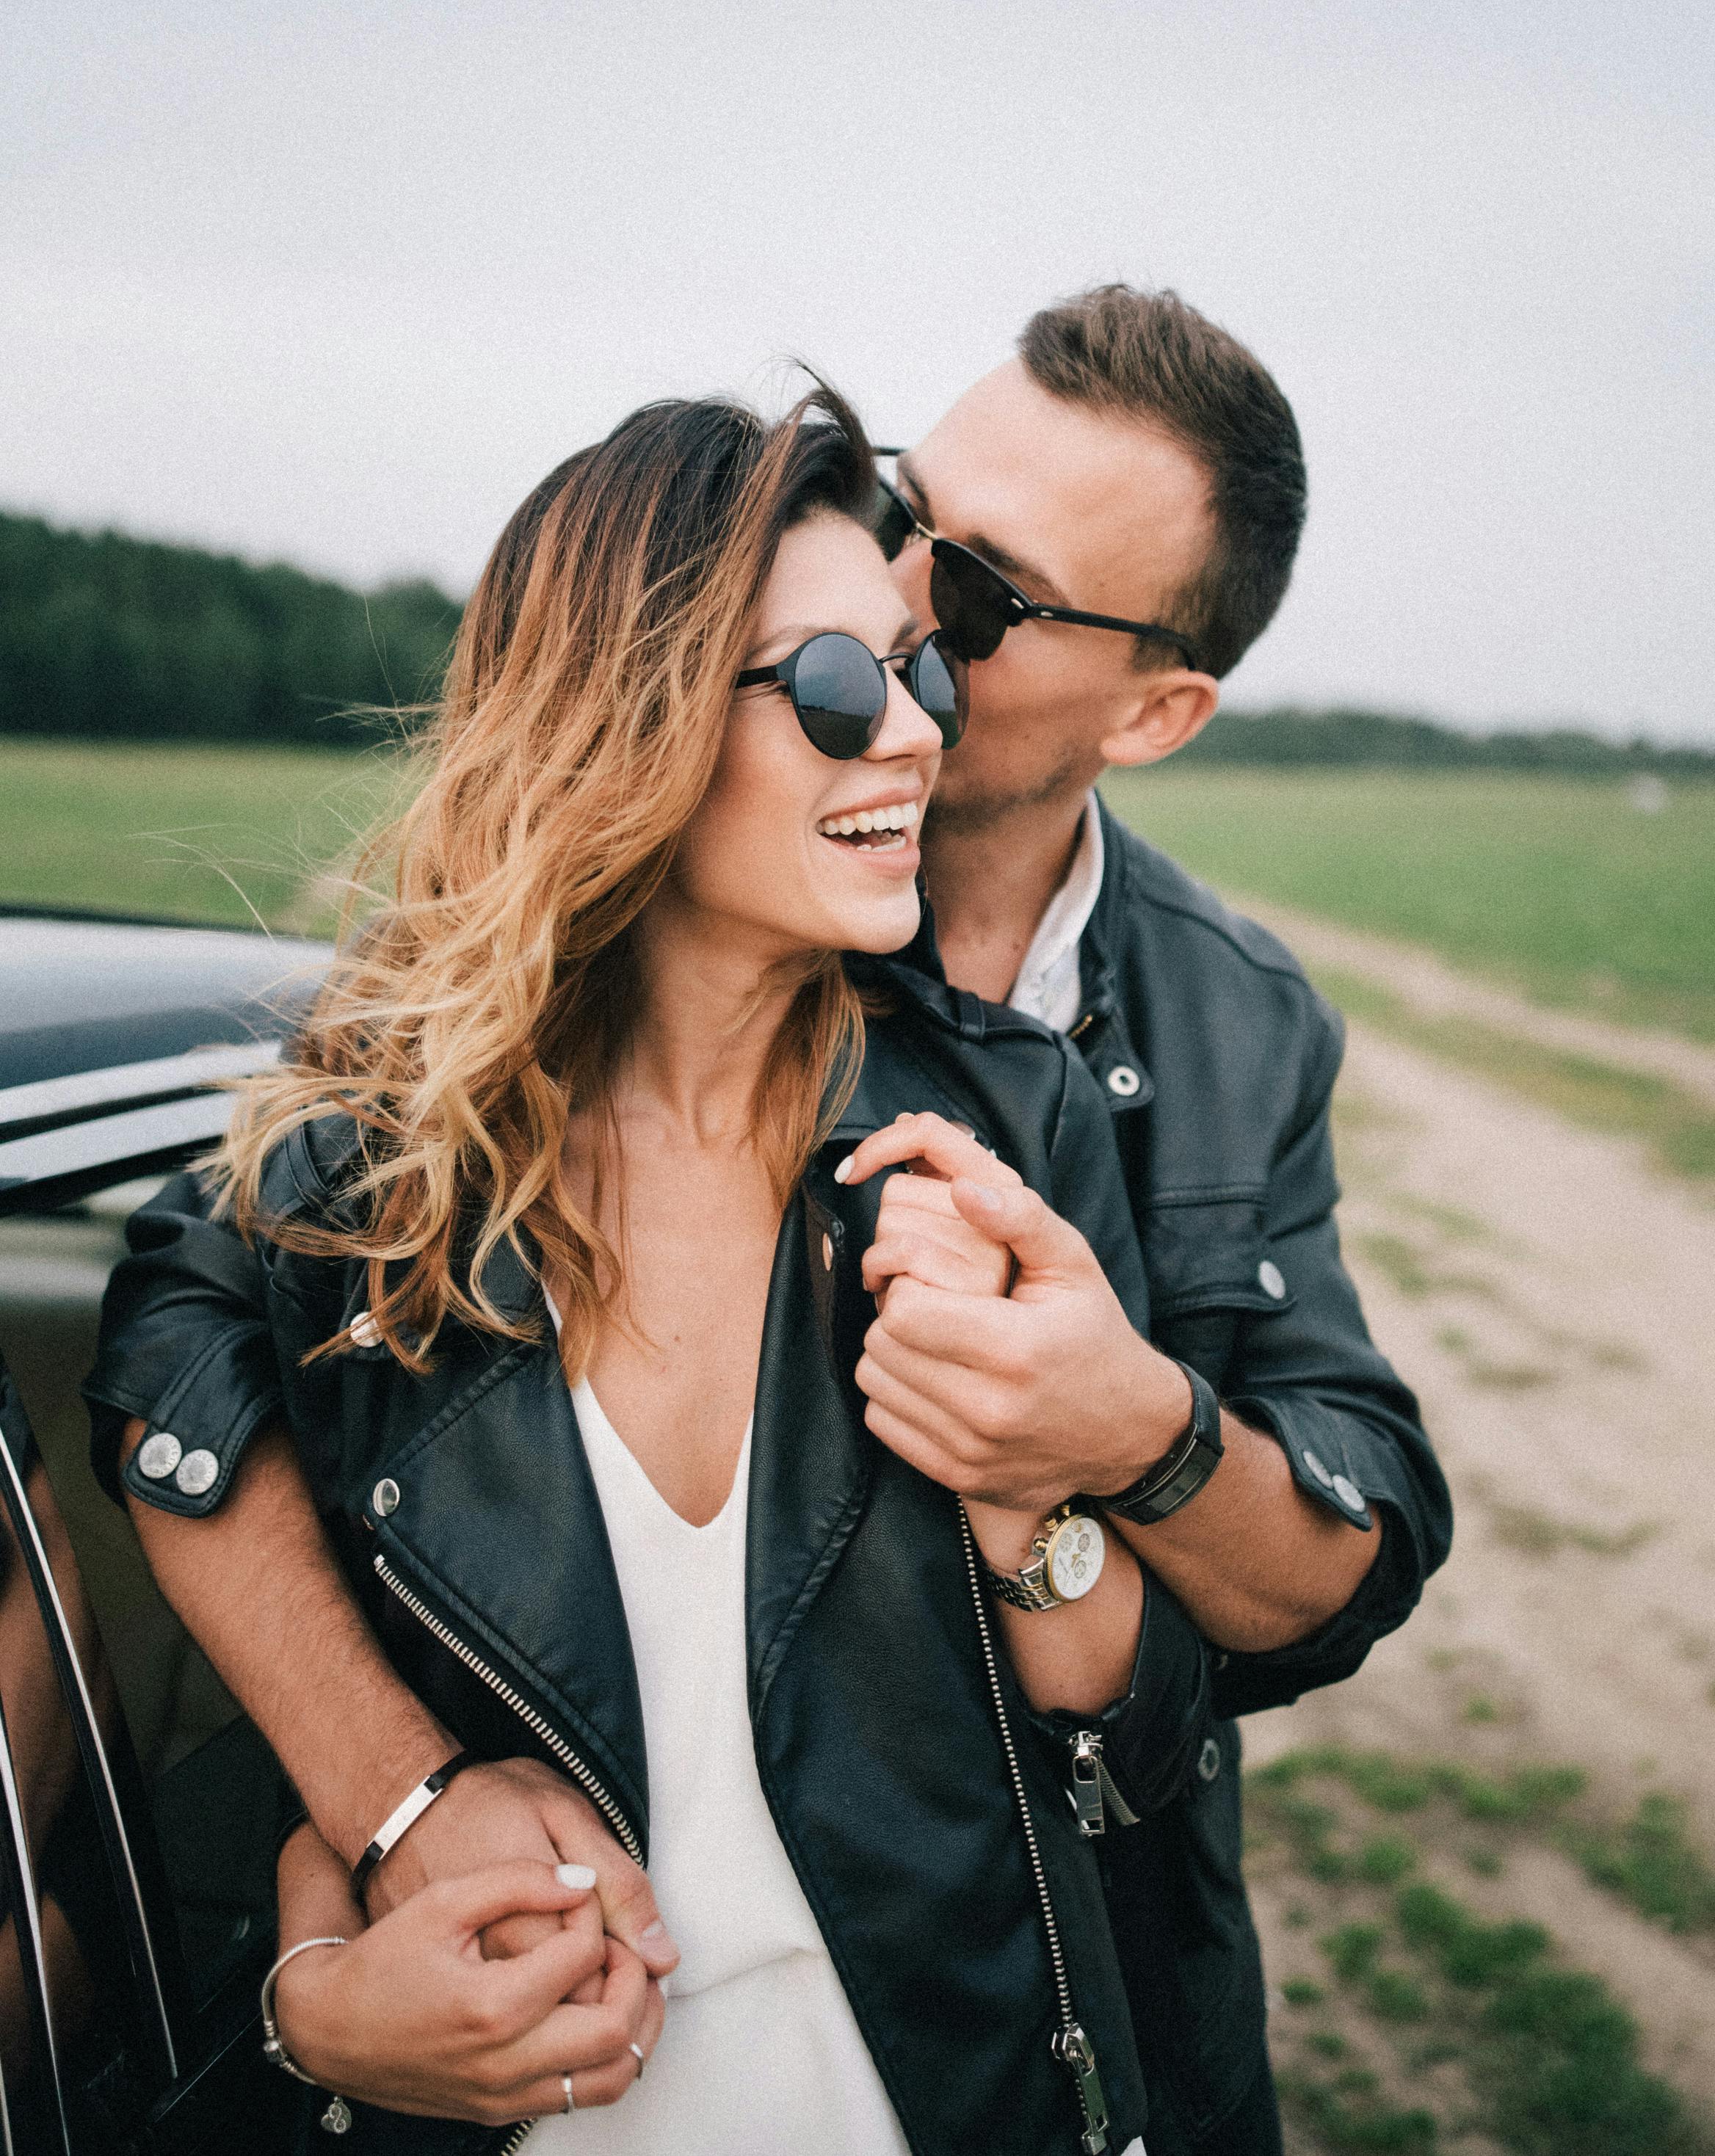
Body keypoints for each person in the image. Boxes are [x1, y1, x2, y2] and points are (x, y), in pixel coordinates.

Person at [90, 289, 1453, 2153]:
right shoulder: (419, 1136)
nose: (908, 702)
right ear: (634, 719)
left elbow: (1230, 1642)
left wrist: (1088, 1456)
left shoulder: (1055, 1097)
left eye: (956, 623)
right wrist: (387, 1816)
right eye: (888, 565)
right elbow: (178, 1323)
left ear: (1156, 710)